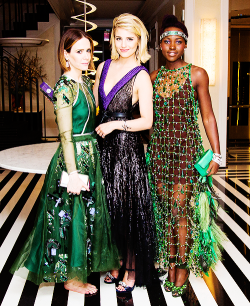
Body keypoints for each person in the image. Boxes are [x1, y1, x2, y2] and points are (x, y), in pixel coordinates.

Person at [10, 28, 120, 295]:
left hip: (89, 154)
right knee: (72, 218)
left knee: (85, 215)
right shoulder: (64, 87)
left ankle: (80, 266)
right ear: (66, 54)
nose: (85, 56)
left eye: (88, 51)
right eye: (79, 51)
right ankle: (72, 278)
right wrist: (72, 173)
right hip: (74, 160)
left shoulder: (82, 83)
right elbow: (65, 135)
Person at [146, 15, 226, 297]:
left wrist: (217, 153)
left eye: (177, 41)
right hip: (158, 156)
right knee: (165, 213)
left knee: (180, 211)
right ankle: (169, 265)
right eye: (166, 41)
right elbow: (145, 118)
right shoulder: (153, 78)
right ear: (159, 45)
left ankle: (182, 269)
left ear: (185, 45)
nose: (171, 46)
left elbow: (208, 117)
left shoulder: (197, 74)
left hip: (186, 154)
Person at [93, 13, 156, 292]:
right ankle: (115, 261)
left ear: (139, 40)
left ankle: (131, 270)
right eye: (119, 38)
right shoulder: (102, 67)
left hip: (127, 151)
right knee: (108, 208)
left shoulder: (141, 74)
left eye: (130, 38)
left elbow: (147, 121)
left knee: (128, 209)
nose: (124, 43)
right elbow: (96, 110)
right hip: (103, 148)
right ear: (112, 40)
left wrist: (116, 125)